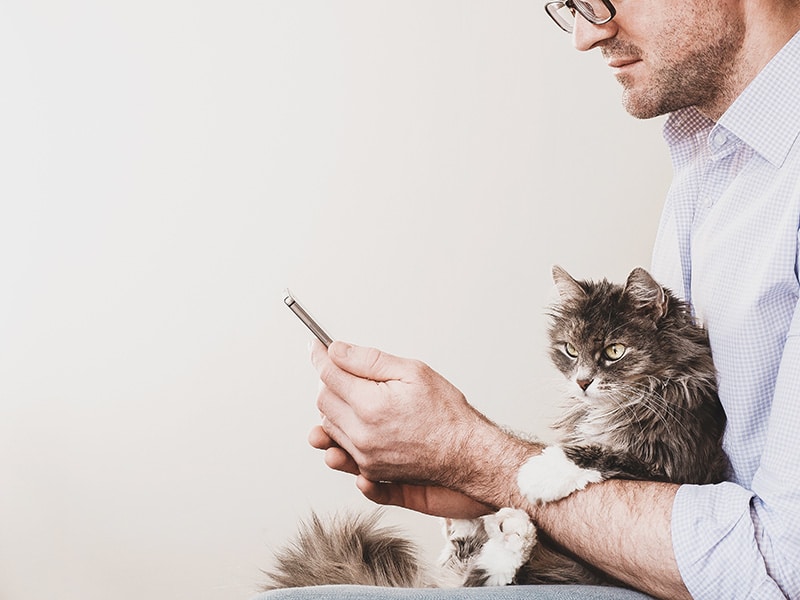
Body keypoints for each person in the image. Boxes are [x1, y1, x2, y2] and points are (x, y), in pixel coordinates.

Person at [261, 0, 800, 598]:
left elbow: (779, 568)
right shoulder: (708, 164)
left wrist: (483, 460)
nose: (583, 35)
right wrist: (483, 479)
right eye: (571, 6)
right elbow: (687, 477)